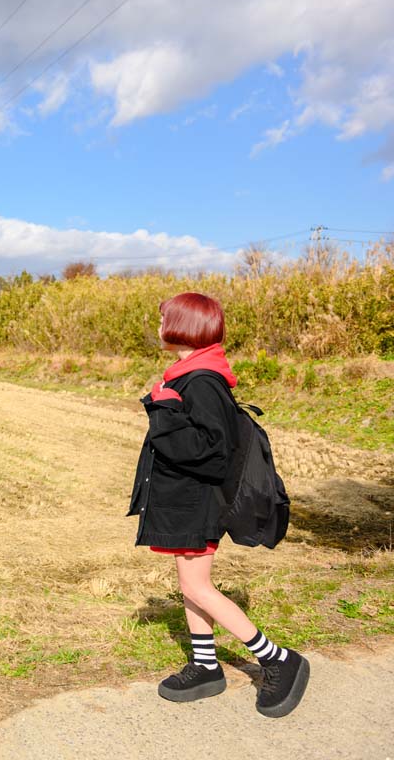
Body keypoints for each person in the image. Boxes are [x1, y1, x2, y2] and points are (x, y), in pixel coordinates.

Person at [127, 292, 310, 718]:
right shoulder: (189, 374)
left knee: (196, 587)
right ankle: (207, 666)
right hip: (186, 500)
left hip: (198, 502)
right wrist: (168, 403)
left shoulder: (203, 381)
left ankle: (278, 659)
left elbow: (212, 451)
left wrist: (163, 411)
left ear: (184, 326)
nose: (158, 327)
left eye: (163, 320)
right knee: (191, 585)